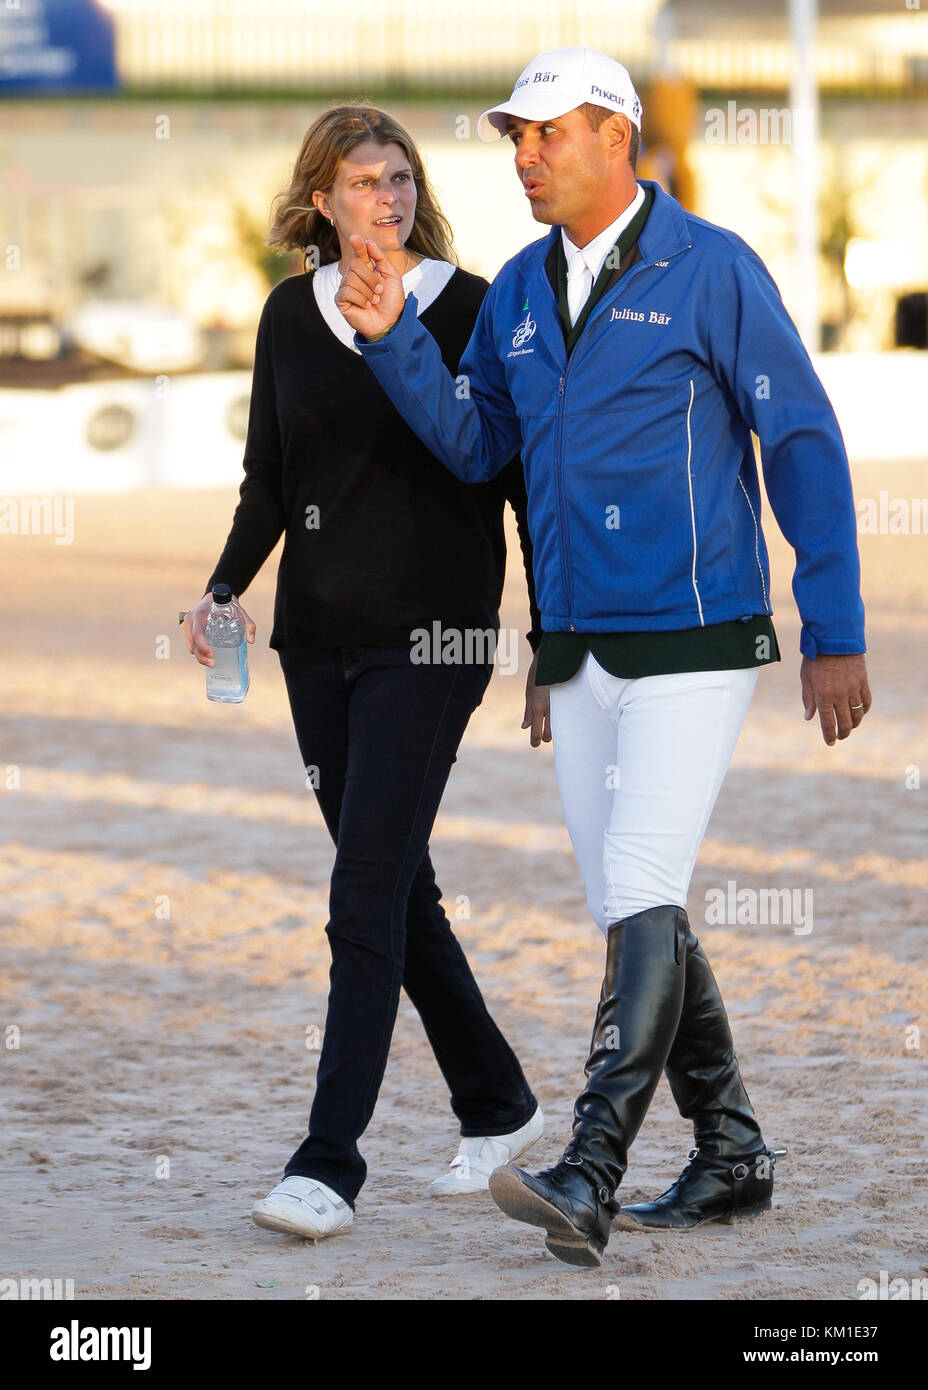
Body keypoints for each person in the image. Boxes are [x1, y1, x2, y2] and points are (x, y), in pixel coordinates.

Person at [335, 47, 871, 1268]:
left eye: (542, 135)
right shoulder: (519, 290)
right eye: (512, 140)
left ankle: (591, 1164)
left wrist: (831, 629)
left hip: (694, 634)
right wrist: (392, 342)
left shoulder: (712, 268)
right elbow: (481, 451)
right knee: (636, 903)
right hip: (578, 652)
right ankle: (731, 1150)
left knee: (637, 879)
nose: (520, 157)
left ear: (613, 135)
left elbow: (800, 440)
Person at [183, 103, 544, 1242]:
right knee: (389, 879)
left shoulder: (475, 307)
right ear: (322, 201)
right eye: (362, 182)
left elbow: (518, 479)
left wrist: (549, 639)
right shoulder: (288, 316)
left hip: (433, 639)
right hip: (317, 639)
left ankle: (327, 1163)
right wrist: (225, 584)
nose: (385, 199)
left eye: (400, 179)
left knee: (360, 891)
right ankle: (496, 1099)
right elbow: (267, 474)